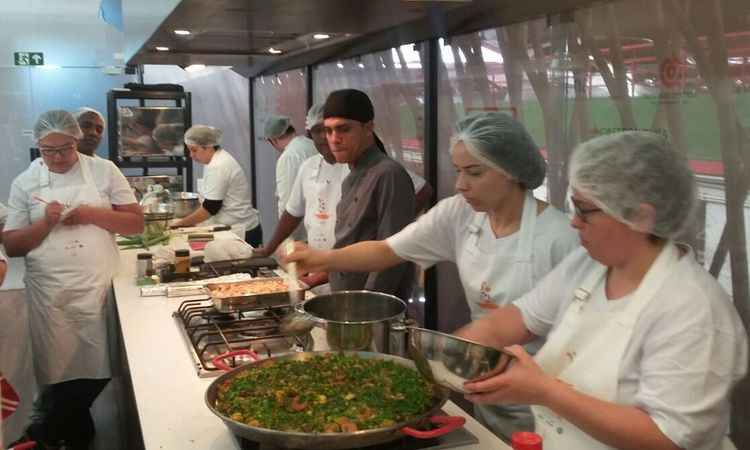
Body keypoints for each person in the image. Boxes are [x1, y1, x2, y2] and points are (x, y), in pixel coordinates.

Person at [286, 111, 579, 438]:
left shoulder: (561, 238)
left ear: (511, 172)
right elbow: (387, 250)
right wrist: (322, 258)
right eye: (458, 171)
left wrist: (453, 352)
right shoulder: (460, 213)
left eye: (474, 172)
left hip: (546, 396)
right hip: (481, 380)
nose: (460, 184)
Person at [455, 131, 747, 450]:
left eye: (585, 210)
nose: (574, 222)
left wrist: (545, 391)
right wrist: (451, 355)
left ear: (640, 216)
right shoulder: (589, 264)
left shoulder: (693, 310)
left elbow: (668, 438)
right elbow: (513, 320)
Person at [2, 110, 144, 450]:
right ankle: (72, 433)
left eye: (64, 149)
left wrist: (90, 214)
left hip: (98, 284)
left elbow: (135, 224)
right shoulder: (25, 182)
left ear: (76, 141)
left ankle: (48, 429)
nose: (57, 158)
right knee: (60, 371)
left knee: (101, 365)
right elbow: (14, 245)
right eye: (48, 151)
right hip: (52, 293)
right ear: (38, 146)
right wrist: (46, 223)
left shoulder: (104, 170)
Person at [256, 103, 434, 290]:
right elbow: (292, 212)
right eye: (322, 131)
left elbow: (422, 190)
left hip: (358, 274)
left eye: (338, 130)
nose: (330, 139)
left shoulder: (372, 169)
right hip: (325, 271)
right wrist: (270, 249)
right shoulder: (309, 166)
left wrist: (391, 223)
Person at [171, 125, 263, 246]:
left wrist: (180, 224)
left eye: (194, 150)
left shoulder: (218, 166)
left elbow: (211, 207)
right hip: (235, 228)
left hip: (240, 232)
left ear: (208, 147)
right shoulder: (216, 160)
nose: (191, 155)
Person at [262, 114, 317, 240]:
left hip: (301, 233)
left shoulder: (288, 157)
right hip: (318, 226)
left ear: (273, 140)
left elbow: (287, 202)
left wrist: (285, 238)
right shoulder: (312, 145)